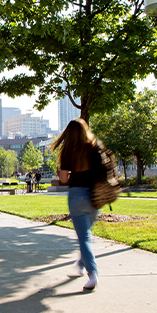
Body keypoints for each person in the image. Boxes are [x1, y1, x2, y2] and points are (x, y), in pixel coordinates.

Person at [52, 118, 102, 290]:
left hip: (77, 196)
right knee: (86, 234)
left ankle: (93, 273)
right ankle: (81, 264)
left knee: (84, 237)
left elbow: (64, 179)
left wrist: (62, 171)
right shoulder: (94, 147)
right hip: (95, 196)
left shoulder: (68, 151)